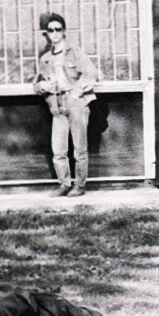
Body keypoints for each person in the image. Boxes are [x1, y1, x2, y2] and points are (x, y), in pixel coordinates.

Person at [33, 11, 100, 197]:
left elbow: (91, 74)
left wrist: (77, 93)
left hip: (76, 103)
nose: (54, 33)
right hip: (57, 105)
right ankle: (64, 184)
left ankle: (79, 186)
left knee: (79, 149)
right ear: (46, 33)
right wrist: (43, 85)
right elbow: (36, 85)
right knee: (59, 149)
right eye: (50, 30)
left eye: (58, 29)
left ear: (64, 32)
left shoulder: (74, 52)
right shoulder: (45, 58)